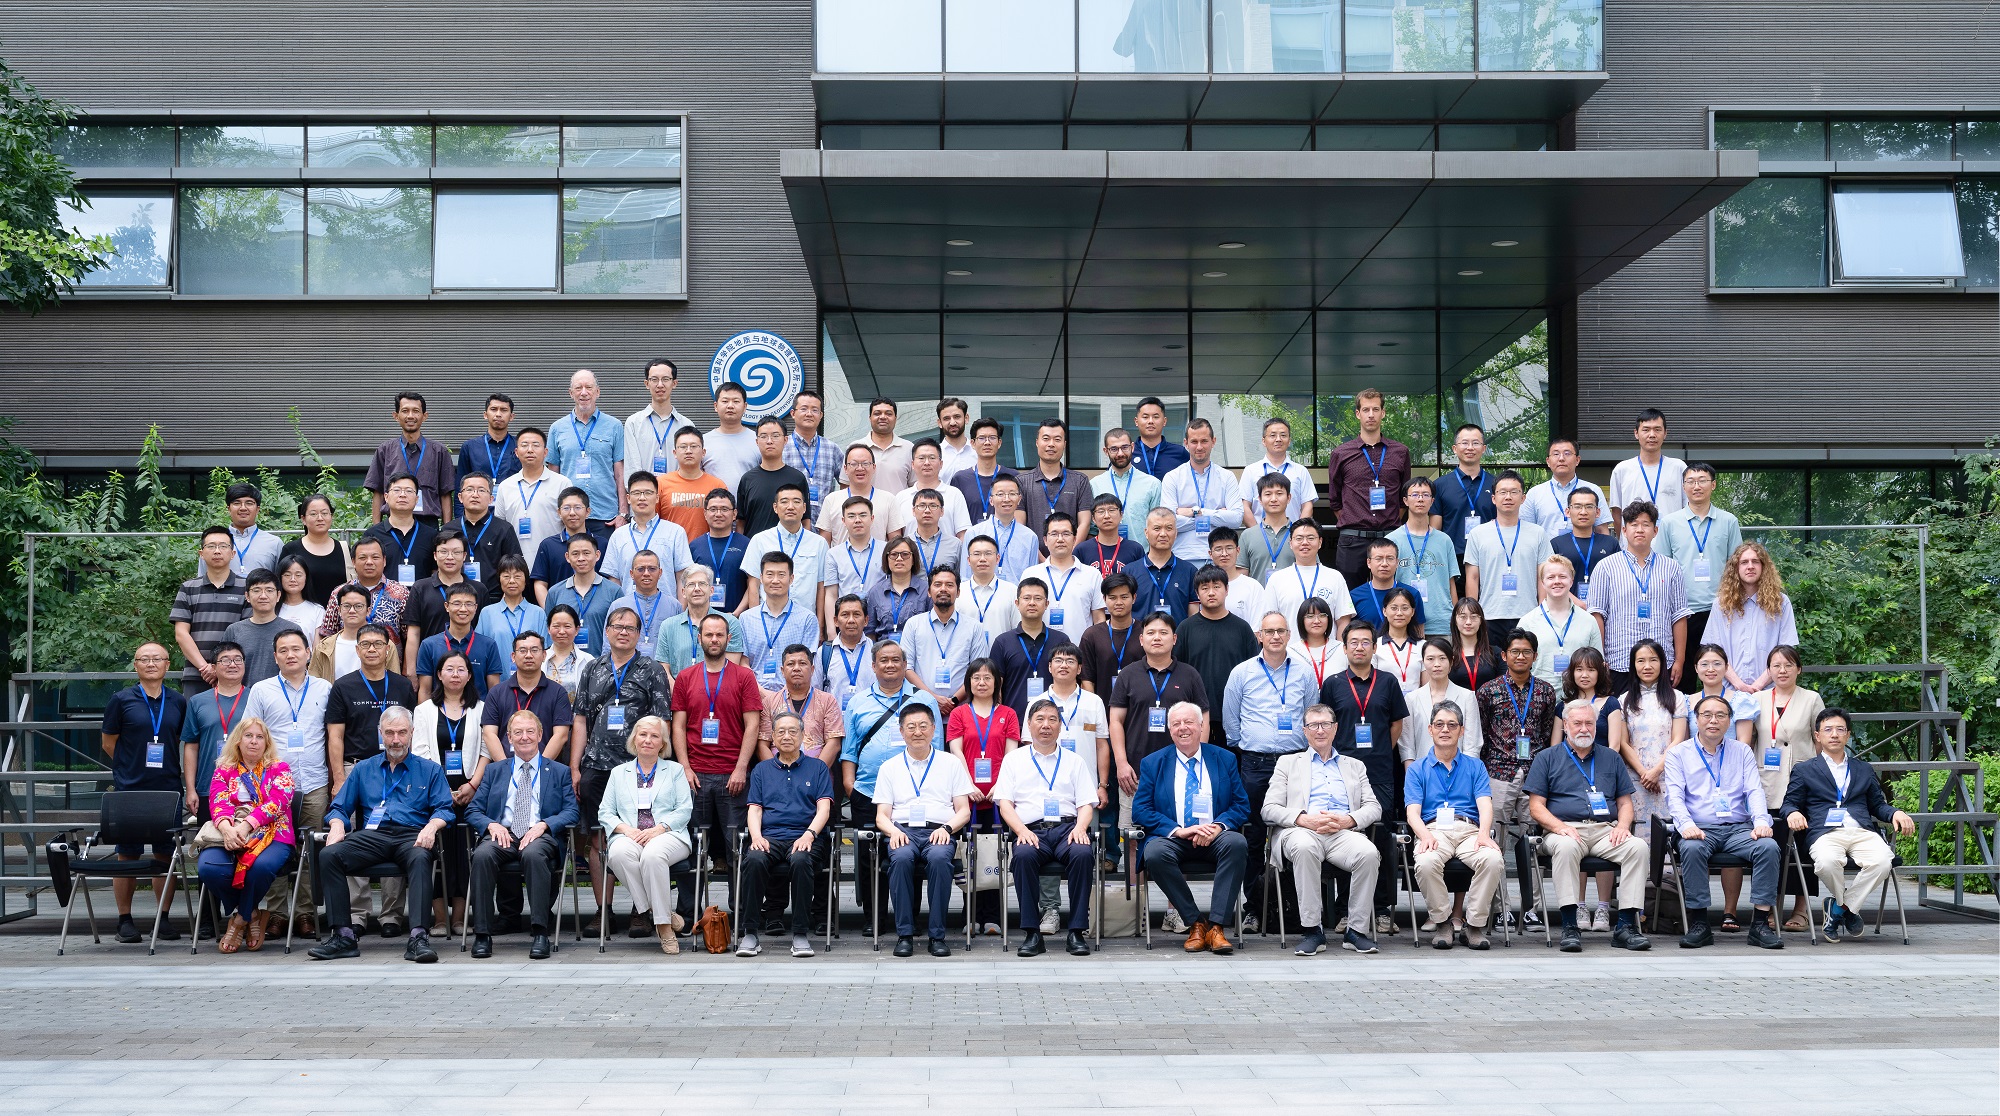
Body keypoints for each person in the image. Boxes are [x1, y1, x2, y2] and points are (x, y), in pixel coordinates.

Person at [307, 705, 453, 963]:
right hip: (373, 836)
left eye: (402, 732)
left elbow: (445, 809)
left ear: (412, 733)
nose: (396, 739)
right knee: (329, 855)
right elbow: (339, 807)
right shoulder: (364, 769)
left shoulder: (430, 769)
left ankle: (418, 938)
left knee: (422, 857)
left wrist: (431, 827)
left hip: (412, 835)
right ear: (380, 733)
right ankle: (343, 937)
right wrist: (338, 824)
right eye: (390, 733)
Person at [570, 604, 675, 930]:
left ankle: (640, 910)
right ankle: (603, 910)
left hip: (638, 769)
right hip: (597, 767)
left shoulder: (651, 670)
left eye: (630, 628)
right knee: (598, 837)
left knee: (640, 837)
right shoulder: (592, 668)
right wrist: (575, 767)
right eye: (617, 626)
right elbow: (580, 719)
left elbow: (662, 721)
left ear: (639, 634)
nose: (623, 632)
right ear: (607, 631)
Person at [1525, 700, 1653, 953]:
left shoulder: (1611, 757)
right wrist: (1559, 827)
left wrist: (1623, 826)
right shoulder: (1546, 758)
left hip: (1605, 830)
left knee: (1637, 847)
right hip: (1564, 830)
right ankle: (1570, 925)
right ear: (1565, 726)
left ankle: (1626, 927)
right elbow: (1536, 807)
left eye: (1589, 723)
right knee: (1566, 847)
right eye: (1577, 723)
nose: (1584, 729)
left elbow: (1625, 803)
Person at [1782, 708, 1917, 942]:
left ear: (1848, 735)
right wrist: (1793, 812)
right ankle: (1847, 908)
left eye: (1840, 729)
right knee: (1827, 862)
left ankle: (1838, 908)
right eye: (1828, 729)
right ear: (1818, 736)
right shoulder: (1804, 770)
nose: (1834, 734)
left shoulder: (1863, 769)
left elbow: (1878, 805)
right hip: (1824, 833)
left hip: (1862, 831)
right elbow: (1789, 803)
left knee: (1883, 861)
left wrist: (1896, 812)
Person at [1261, 701, 1383, 955]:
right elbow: (1269, 808)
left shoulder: (1354, 766)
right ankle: (1312, 930)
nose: (1320, 730)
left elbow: (1374, 807)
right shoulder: (1287, 763)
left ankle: (1356, 931)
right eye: (1313, 725)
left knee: (1369, 853)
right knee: (1305, 847)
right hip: (1302, 831)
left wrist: (1348, 820)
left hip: (1343, 832)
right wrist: (1304, 819)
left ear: (1335, 728)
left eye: (1325, 724)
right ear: (1304, 731)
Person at [1666, 694, 1785, 949]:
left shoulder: (1741, 751)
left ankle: (1760, 924)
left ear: (1729, 720)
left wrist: (1761, 822)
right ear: (1696, 719)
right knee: (1692, 849)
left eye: (1720, 715)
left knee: (1768, 847)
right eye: (1707, 715)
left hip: (1737, 829)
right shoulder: (1678, 754)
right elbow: (1674, 797)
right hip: (1699, 828)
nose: (1713, 721)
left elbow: (1754, 791)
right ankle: (1699, 923)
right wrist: (1686, 826)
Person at [1133, 701, 1249, 952]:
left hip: (1214, 838)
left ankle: (1217, 927)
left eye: (1188, 722)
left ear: (1202, 726)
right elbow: (1140, 810)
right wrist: (1178, 830)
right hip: (1175, 837)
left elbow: (1241, 805)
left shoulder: (1224, 758)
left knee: (1237, 843)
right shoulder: (1153, 762)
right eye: (1176, 723)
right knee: (1154, 853)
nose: (1182, 728)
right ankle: (1196, 923)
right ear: (1169, 729)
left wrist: (1218, 827)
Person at [1223, 611, 1315, 928]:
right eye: (1269, 631)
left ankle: (1293, 909)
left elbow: (1311, 716)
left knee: (1296, 833)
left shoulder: (1304, 673)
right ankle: (1252, 909)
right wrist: (1248, 744)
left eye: (1281, 631)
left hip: (1294, 763)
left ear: (1289, 635)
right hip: (1255, 764)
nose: (1275, 636)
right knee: (1252, 837)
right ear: (1259, 636)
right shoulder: (1242, 673)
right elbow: (1231, 721)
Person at [466, 709, 581, 960]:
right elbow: (473, 810)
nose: (524, 737)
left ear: (540, 735)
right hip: (503, 834)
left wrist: (545, 825)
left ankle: (540, 932)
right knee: (482, 856)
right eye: (518, 732)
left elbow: (572, 811)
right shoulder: (494, 770)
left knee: (534, 855)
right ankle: (482, 934)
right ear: (509, 737)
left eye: (530, 731)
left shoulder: (558, 771)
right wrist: (491, 825)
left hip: (539, 835)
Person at [1320, 619, 1407, 936]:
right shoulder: (1332, 684)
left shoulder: (1388, 682)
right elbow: (1326, 726)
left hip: (1381, 773)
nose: (1359, 647)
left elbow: (1396, 724)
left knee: (1381, 839)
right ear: (1344, 648)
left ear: (1374, 646)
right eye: (1353, 642)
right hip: (1342, 774)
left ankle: (1382, 910)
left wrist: (1380, 750)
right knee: (1346, 837)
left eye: (1365, 642)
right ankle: (1346, 909)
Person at [670, 614, 764, 910]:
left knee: (737, 847)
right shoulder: (685, 677)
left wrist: (741, 767)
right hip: (695, 776)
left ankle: (740, 912)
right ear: (699, 638)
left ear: (728, 639)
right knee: (692, 848)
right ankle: (688, 913)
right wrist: (684, 767)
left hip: (732, 776)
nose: (714, 640)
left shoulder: (744, 677)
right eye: (708, 635)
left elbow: (753, 725)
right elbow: (678, 727)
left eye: (719, 635)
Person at [246, 628, 333, 938]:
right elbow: (250, 736)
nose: (290, 655)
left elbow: (333, 735)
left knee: (310, 849)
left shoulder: (324, 688)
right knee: (274, 847)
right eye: (283, 650)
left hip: (314, 781)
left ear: (308, 653)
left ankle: (306, 913)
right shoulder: (261, 690)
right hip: (273, 788)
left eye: (296, 649)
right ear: (275, 657)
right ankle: (277, 913)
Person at [100, 642, 190, 942]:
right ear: (135, 665)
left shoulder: (178, 701)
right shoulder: (121, 699)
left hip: (167, 789)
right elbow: (108, 742)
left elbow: (180, 739)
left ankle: (162, 919)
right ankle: (124, 921)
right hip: (130, 789)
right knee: (127, 855)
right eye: (144, 659)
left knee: (165, 855)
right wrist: (129, 767)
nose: (151, 663)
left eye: (157, 659)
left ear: (167, 664)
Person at [995, 699, 1098, 956]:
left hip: (1067, 830)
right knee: (1022, 856)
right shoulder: (1013, 760)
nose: (1046, 725)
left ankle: (1076, 932)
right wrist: (1021, 831)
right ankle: (1032, 933)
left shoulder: (1075, 761)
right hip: (1030, 830)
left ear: (1060, 726)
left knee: (1083, 853)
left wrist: (1081, 827)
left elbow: (1086, 804)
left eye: (1053, 720)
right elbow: (1005, 804)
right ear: (1029, 725)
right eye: (1040, 719)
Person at [1404, 699, 1503, 950]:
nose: (1445, 729)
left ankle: (1474, 925)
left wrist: (1483, 834)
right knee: (1426, 862)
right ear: (1430, 729)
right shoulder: (1417, 769)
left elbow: (1485, 805)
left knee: (1493, 859)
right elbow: (1412, 813)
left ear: (1462, 730)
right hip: (1434, 830)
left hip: (1470, 830)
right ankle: (1443, 922)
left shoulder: (1475, 766)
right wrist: (1425, 836)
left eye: (1452, 724)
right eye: (1439, 724)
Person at [877, 704, 973, 956]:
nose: (917, 732)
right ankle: (904, 935)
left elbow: (964, 811)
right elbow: (881, 816)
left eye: (923, 726)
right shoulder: (889, 767)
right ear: (901, 731)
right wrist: (893, 831)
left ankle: (937, 936)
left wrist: (947, 828)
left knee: (940, 859)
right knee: (900, 859)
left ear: (933, 729)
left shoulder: (951, 763)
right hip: (903, 831)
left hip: (939, 831)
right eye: (911, 727)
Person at [739, 710, 836, 958]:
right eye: (781, 731)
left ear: (803, 736)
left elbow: (824, 809)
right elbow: (755, 809)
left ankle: (800, 933)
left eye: (793, 731)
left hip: (806, 836)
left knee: (801, 860)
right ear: (772, 737)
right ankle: (750, 933)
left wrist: (809, 834)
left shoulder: (818, 768)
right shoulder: (761, 770)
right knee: (754, 859)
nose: (786, 736)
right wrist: (756, 837)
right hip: (770, 836)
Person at [198, 716, 296, 953]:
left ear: (267, 743)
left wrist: (246, 826)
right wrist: (228, 830)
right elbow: (218, 803)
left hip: (273, 833)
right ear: (238, 741)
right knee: (209, 868)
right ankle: (252, 913)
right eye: (248, 736)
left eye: (259, 737)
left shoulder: (280, 769)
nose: (254, 741)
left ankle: (240, 920)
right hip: (229, 831)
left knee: (260, 868)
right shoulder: (224, 770)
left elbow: (278, 802)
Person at [601, 714, 694, 954]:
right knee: (618, 854)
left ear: (663, 743)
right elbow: (605, 812)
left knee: (653, 855)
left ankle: (663, 928)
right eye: (642, 734)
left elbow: (685, 809)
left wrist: (658, 829)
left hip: (668, 834)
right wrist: (627, 830)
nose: (648, 740)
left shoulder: (675, 770)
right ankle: (663, 914)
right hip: (631, 835)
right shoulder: (618, 773)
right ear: (634, 738)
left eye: (654, 736)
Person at [1109, 614, 1209, 835]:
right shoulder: (1127, 674)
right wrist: (1121, 763)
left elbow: (1203, 719)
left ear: (1174, 639)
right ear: (1141, 639)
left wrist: (1197, 763)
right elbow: (1115, 721)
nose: (1157, 638)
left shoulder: (1190, 675)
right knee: (1133, 836)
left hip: (1181, 771)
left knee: (1181, 833)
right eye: (1151, 633)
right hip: (1135, 772)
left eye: (1163, 633)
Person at [410, 650, 484, 934]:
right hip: (433, 791)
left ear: (469, 675)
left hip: (470, 791)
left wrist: (473, 785)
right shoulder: (424, 710)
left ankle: (460, 918)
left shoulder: (481, 709)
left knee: (464, 853)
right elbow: (420, 752)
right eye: (449, 669)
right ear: (439, 674)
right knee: (437, 852)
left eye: (461, 669)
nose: (455, 674)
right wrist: (442, 790)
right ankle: (440, 918)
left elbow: (486, 751)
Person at [946, 658, 1017, 933]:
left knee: (995, 854)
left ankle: (994, 917)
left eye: (988, 677)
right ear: (969, 683)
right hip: (968, 796)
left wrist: (1000, 785)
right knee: (971, 855)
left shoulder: (1008, 714)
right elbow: (956, 751)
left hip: (1000, 796)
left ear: (997, 682)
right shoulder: (959, 714)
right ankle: (972, 916)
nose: (982, 682)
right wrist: (967, 785)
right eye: (976, 678)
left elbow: (1011, 754)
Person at [1757, 645, 1825, 930]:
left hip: (1802, 782)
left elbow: (1820, 739)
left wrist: (1814, 773)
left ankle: (1801, 910)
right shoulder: (1758, 699)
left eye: (1788, 665)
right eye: (1776, 665)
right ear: (1768, 670)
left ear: (1798, 669)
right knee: (1774, 847)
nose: (1782, 670)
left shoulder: (1811, 698)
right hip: (1768, 782)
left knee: (1803, 848)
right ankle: (1772, 907)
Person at [1591, 501, 1691, 692]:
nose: (1639, 530)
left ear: (1655, 531)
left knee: (1662, 711)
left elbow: (1679, 616)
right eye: (1634, 524)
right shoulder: (1606, 567)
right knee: (1621, 711)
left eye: (1646, 524)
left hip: (1662, 661)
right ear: (1624, 530)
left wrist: (1679, 660)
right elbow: (1597, 615)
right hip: (1619, 661)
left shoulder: (1671, 567)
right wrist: (1601, 659)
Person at [1659, 464, 1743, 692]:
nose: (1696, 486)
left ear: (1713, 485)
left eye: (1702, 480)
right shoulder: (1669, 523)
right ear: (1683, 486)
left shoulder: (1728, 521)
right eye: (1691, 481)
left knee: (1719, 670)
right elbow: (1661, 568)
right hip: (1681, 611)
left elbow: (1736, 565)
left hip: (1719, 609)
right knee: (1683, 675)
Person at [1477, 630, 1562, 849]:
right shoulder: (1488, 691)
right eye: (1515, 651)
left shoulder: (1545, 691)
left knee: (1534, 840)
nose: (1521, 656)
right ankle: (1496, 874)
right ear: (1504, 655)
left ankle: (1532, 874)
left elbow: (1546, 732)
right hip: (1498, 772)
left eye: (1527, 652)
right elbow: (1482, 732)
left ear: (1535, 656)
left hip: (1535, 773)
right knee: (1493, 837)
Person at [1555, 645, 1617, 930]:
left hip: (1602, 776)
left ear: (1599, 672)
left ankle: (1603, 907)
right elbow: (1556, 746)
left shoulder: (1611, 704)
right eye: (1579, 669)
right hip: (1570, 779)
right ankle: (1579, 905)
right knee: (1575, 837)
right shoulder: (1563, 706)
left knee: (1607, 836)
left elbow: (1614, 746)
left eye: (1591, 669)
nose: (1585, 674)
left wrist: (1604, 774)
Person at [1323, 393, 1410, 587]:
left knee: (1393, 596)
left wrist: (1389, 521)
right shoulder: (1341, 453)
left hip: (1390, 538)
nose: (1371, 414)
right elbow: (1335, 500)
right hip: (1353, 540)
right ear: (1358, 414)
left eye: (1375, 409)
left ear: (1383, 413)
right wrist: (1355, 522)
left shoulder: (1400, 452)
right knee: (1350, 597)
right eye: (1366, 410)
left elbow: (1403, 498)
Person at [1608, 638, 1690, 831]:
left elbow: (1679, 739)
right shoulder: (1623, 700)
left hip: (1668, 775)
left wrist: (1656, 771)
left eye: (1653, 660)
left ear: (1662, 664)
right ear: (1633, 665)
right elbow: (1623, 743)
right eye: (1641, 661)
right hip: (1635, 778)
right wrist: (1644, 774)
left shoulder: (1677, 697)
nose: (1647, 666)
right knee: (1637, 833)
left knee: (1668, 832)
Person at [1461, 470, 1550, 646]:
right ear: (1494, 498)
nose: (1508, 497)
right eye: (1503, 492)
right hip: (1489, 615)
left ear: (1523, 498)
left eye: (1514, 492)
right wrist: (1473, 614)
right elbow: (1472, 577)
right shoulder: (1477, 534)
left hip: (1528, 615)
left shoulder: (1538, 533)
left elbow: (1543, 577)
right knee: (1490, 662)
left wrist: (1543, 613)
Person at [1177, 566, 1257, 749]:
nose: (1211, 592)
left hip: (1236, 715)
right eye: (1205, 588)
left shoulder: (1242, 629)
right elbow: (1178, 671)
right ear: (1197, 592)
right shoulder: (1185, 629)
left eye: (1217, 586)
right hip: (1195, 716)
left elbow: (1254, 672)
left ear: (1227, 589)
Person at [1707, 541, 1799, 692]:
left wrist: (1758, 686)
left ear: (1763, 566)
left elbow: (1786, 651)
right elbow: (1713, 652)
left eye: (1755, 561)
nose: (1750, 566)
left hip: (1769, 691)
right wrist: (1738, 684)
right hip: (1728, 691)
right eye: (1744, 562)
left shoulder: (1781, 603)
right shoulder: (1720, 605)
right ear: (1736, 568)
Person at [743, 483, 833, 632]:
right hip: (768, 621)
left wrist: (820, 626)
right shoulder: (759, 540)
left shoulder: (819, 543)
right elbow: (753, 584)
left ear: (804, 508)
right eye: (784, 502)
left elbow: (821, 586)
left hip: (805, 623)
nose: (790, 507)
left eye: (796, 502)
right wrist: (756, 623)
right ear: (775, 507)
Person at [171, 525, 248, 693]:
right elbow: (181, 634)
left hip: (235, 674)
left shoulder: (247, 588)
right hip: (196, 674)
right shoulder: (188, 588)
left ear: (233, 553)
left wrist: (223, 667)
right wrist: (205, 667)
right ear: (201, 553)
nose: (217, 551)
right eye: (211, 546)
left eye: (223, 546)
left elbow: (247, 633)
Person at [547, 369, 626, 531]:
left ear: (597, 392)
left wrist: (623, 513)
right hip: (570, 516)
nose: (584, 393)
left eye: (589, 387)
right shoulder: (557, 428)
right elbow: (552, 475)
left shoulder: (614, 426)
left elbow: (620, 474)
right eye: (578, 388)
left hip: (606, 516)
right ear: (571, 393)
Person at [179, 642, 249, 824]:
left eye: (238, 659)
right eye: (225, 660)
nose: (232, 664)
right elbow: (191, 747)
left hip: (248, 787)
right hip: (208, 787)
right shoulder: (197, 701)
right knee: (209, 838)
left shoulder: (256, 697)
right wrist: (191, 789)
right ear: (214, 667)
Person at [481, 631, 575, 763]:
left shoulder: (558, 693)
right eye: (523, 651)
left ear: (544, 655)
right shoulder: (496, 693)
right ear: (513, 656)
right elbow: (489, 734)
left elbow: (561, 735)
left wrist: (538, 768)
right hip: (506, 766)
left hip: (546, 769)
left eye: (534, 650)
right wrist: (507, 768)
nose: (529, 655)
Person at [1160, 418, 1243, 562]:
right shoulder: (1172, 477)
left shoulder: (1227, 477)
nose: (1199, 447)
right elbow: (1168, 523)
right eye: (1194, 442)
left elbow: (1236, 519)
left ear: (1213, 441)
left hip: (1219, 557)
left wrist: (1197, 512)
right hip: (1183, 556)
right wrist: (1217, 517)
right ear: (1186, 443)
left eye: (1204, 441)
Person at [365, 392, 455, 523]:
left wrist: (447, 530)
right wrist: (376, 529)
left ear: (424, 416)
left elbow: (445, 494)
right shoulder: (385, 450)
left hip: (428, 525)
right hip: (393, 524)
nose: (410, 416)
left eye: (416, 411)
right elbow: (378, 492)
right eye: (405, 411)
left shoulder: (439, 452)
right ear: (396, 416)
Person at [902, 565, 982, 714]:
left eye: (949, 585)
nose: (943, 589)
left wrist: (954, 701)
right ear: (929, 591)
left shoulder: (974, 627)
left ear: (958, 592)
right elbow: (907, 668)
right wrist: (932, 698)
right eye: (937, 584)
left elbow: (978, 671)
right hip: (922, 711)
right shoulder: (913, 625)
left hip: (962, 711)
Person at [989, 581, 1074, 716]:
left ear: (1047, 604)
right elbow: (996, 687)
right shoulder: (1003, 642)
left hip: (1053, 721)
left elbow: (1070, 681)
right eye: (1027, 598)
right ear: (1017, 603)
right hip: (1014, 721)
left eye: (1038, 598)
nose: (1032, 603)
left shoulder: (1060, 640)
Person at [1515, 556, 1602, 687]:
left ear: (1571, 581)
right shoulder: (1527, 622)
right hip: (1539, 695)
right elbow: (1518, 666)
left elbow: (1598, 664)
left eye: (1562, 576)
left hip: (1578, 696)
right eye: (1551, 577)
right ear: (1542, 583)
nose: (1557, 581)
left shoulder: (1589, 621)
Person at [741, 551, 823, 689]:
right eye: (770, 574)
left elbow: (806, 665)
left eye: (781, 575)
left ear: (791, 579)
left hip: (793, 694)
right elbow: (743, 663)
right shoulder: (746, 618)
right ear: (761, 578)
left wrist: (783, 696)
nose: (775, 580)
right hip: (754, 693)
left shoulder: (807, 619)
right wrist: (762, 693)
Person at [603, 471, 695, 592]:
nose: (642, 498)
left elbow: (682, 577)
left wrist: (680, 605)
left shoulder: (675, 532)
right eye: (636, 493)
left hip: (666, 604)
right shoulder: (618, 535)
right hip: (628, 603)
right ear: (628, 498)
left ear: (657, 498)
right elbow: (614, 580)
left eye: (648, 493)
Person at [401, 528, 480, 666]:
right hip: (429, 665)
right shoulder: (420, 588)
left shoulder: (478, 590)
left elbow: (482, 631)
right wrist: (411, 671)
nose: (450, 557)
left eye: (456, 552)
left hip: (469, 665)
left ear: (464, 556)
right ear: (435, 555)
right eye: (443, 552)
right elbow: (413, 634)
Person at [1022, 512, 1104, 645]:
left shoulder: (1092, 574)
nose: (1060, 539)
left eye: (1066, 534)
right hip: (1039, 651)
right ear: (1045, 540)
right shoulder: (1031, 574)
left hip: (1080, 650)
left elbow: (1099, 619)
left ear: (1075, 539)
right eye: (1054, 534)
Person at [494, 427, 571, 566]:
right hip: (516, 565)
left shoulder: (562, 483)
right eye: (524, 445)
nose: (530, 450)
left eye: (536, 445)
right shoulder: (505, 486)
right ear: (516, 452)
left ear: (545, 452)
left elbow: (571, 524)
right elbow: (499, 527)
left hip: (553, 560)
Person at [1267, 520, 1355, 640]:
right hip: (1289, 649)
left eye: (1310, 538)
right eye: (1299, 538)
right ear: (1291, 543)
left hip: (1327, 650)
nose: (1305, 543)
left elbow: (1343, 620)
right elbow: (1270, 620)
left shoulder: (1335, 577)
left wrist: (1339, 649)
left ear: (1320, 542)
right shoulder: (1277, 579)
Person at [1390, 477, 1455, 637]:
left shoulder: (1444, 540)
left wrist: (1454, 619)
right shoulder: (1392, 540)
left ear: (1432, 501)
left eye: (1426, 495)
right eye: (1415, 494)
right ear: (1405, 500)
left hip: (1442, 623)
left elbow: (1451, 583)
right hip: (1404, 624)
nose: (1420, 499)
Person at [1400, 637, 1482, 763]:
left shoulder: (1467, 697)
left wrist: (1467, 773)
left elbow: (1472, 745)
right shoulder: (1412, 699)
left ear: (1451, 661)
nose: (1437, 664)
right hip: (1423, 771)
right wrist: (1411, 773)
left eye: (1442, 658)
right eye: (1430, 659)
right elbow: (1407, 747)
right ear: (1423, 662)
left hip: (1459, 770)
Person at [759, 644, 845, 763]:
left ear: (812, 670)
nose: (796, 668)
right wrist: (776, 771)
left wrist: (816, 771)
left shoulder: (828, 701)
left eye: (802, 663)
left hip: (816, 772)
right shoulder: (769, 702)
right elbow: (762, 744)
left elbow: (834, 743)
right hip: (777, 770)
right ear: (782, 671)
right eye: (791, 664)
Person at [656, 565, 746, 676]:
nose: (697, 589)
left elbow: (730, 669)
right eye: (691, 584)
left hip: (718, 687)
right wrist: (678, 687)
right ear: (683, 592)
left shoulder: (730, 623)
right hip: (677, 687)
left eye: (702, 584)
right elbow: (664, 668)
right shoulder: (668, 626)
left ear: (711, 590)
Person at [1608, 407, 1687, 531]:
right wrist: (1624, 539)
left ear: (1665, 433)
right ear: (1636, 433)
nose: (1652, 435)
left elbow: (1687, 508)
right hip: (1634, 540)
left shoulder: (1679, 468)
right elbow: (1616, 513)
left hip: (1671, 540)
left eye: (1657, 430)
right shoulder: (1622, 470)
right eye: (1646, 430)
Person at [224, 568, 303, 685]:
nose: (263, 596)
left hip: (283, 694)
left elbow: (301, 670)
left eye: (269, 590)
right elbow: (224, 669)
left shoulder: (292, 630)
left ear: (278, 595)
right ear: (247, 596)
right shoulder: (234, 630)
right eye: (256, 590)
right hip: (243, 695)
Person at [736, 416, 812, 539]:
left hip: (790, 547)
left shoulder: (797, 478)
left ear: (785, 440)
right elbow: (741, 522)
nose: (769, 441)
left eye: (775, 436)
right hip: (755, 547)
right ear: (757, 441)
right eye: (763, 436)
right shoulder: (747, 479)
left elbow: (805, 520)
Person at [1521, 439, 1610, 539]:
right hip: (1546, 549)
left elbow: (1601, 530)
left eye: (1567, 454)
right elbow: (1526, 531)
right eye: (1556, 454)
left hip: (1586, 548)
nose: (1561, 458)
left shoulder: (1593, 490)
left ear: (1577, 460)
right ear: (1548, 461)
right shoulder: (1534, 493)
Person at [1429, 423, 1496, 558]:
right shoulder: (1440, 485)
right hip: (1451, 557)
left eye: (1475, 443)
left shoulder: (1496, 484)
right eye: (1464, 443)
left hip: (1489, 555)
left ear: (1484, 448)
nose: (1470, 448)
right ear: (1455, 448)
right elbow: (1435, 531)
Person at [624, 358, 698, 478]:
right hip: (644, 489)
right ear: (647, 384)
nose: (660, 385)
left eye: (665, 379)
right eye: (654, 379)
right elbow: (632, 466)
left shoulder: (686, 425)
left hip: (676, 489)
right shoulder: (633, 423)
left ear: (674, 383)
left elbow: (689, 466)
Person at [279, 495, 351, 618]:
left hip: (339, 619)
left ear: (331, 516)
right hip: (303, 619)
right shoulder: (291, 549)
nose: (320, 518)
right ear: (303, 519)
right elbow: (281, 586)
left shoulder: (344, 549)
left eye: (325, 513)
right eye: (313, 514)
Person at [1242, 415, 1321, 527]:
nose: (1278, 439)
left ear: (1289, 441)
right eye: (1273, 435)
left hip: (1292, 535)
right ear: (1264, 441)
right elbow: (1244, 506)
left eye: (1283, 435)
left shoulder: (1301, 471)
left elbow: (1307, 506)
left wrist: (1297, 533)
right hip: (1259, 533)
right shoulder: (1250, 471)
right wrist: (1257, 533)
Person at [1019, 419, 1094, 537]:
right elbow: (1020, 526)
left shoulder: (1080, 481)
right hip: (1032, 549)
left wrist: (1072, 549)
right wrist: (1035, 550)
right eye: (1046, 438)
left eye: (1057, 439)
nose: (1051, 444)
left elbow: (1084, 523)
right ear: (1037, 442)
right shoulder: (1021, 481)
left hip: (1072, 549)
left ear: (1064, 444)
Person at [453, 475, 523, 599]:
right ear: (460, 497)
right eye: (469, 490)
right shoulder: (449, 529)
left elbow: (515, 567)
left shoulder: (504, 529)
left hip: (495, 599)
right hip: (457, 599)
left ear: (491, 498)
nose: (475, 495)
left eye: (481, 490)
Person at [546, 533, 616, 655]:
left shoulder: (614, 591)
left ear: (597, 555)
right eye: (575, 554)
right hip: (564, 662)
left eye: (586, 553)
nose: (581, 558)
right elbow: (549, 632)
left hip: (602, 662)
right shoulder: (555, 592)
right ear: (567, 557)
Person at [886, 441, 971, 542]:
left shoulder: (954, 494)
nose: (927, 463)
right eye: (921, 458)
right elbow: (895, 537)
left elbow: (963, 535)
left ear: (941, 464)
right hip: (911, 552)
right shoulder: (901, 497)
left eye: (932, 458)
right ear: (912, 464)